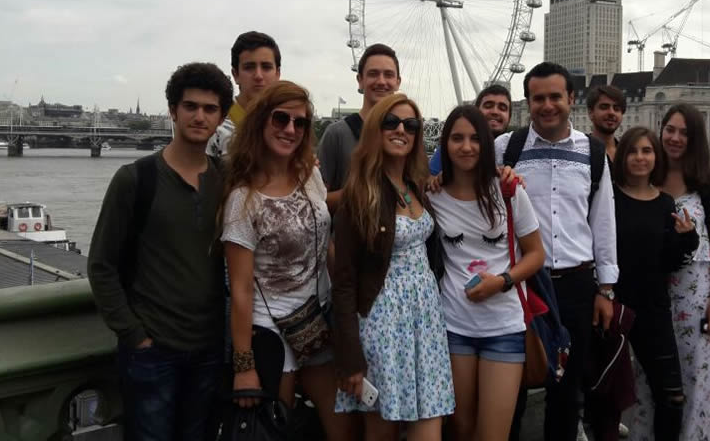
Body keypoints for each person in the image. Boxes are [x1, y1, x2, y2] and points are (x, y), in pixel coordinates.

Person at [88, 62, 233, 441]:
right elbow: (101, 265)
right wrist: (134, 334)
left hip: (210, 348)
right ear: (172, 110)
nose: (199, 116)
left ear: (221, 118)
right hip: (153, 351)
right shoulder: (136, 179)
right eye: (190, 106)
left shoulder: (227, 181)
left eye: (210, 109)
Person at [221, 81, 356, 441]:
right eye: (281, 119)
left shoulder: (310, 176)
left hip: (317, 322)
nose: (290, 129)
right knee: (275, 429)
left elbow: (323, 241)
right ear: (260, 122)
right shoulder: (243, 200)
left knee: (342, 430)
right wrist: (244, 366)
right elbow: (240, 289)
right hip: (272, 332)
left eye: (300, 122)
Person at [496, 62, 618, 441]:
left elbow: (602, 220)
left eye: (555, 97)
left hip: (576, 286)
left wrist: (605, 289)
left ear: (571, 98)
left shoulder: (592, 152)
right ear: (527, 102)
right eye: (538, 99)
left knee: (567, 392)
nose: (547, 106)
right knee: (511, 387)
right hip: (522, 286)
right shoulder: (506, 148)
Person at [332, 93, 454, 441]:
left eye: (411, 125)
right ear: (376, 129)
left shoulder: (417, 187)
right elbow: (344, 282)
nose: (401, 130)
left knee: (430, 426)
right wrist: (351, 357)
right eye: (391, 122)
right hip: (383, 325)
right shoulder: (360, 195)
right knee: (381, 431)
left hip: (426, 322)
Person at [429, 105, 545, 441]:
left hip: (504, 326)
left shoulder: (508, 190)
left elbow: (536, 253)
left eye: (475, 139)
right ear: (445, 145)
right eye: (457, 138)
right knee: (460, 429)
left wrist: (503, 281)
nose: (466, 147)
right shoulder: (433, 194)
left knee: (493, 433)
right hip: (453, 326)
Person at [609, 127, 698, 441]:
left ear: (656, 157)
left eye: (647, 151)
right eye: (633, 151)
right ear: (622, 157)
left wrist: (687, 238)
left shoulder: (665, 203)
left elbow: (669, 261)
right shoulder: (608, 198)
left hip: (653, 308)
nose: (640, 157)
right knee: (606, 396)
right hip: (614, 306)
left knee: (672, 395)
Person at [654, 103, 710, 440]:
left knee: (698, 379)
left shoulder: (709, 182)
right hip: (654, 297)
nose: (674, 138)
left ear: (695, 138)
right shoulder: (647, 174)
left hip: (697, 297)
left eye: (684, 133)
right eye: (670, 129)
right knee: (652, 380)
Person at [319, 44, 402, 213]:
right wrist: (359, 193)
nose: (381, 81)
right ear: (360, 80)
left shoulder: (405, 134)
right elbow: (317, 200)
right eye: (373, 74)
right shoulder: (337, 134)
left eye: (388, 75)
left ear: (397, 82)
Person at [207, 31, 281, 158]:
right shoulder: (214, 126)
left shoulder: (289, 125)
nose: (258, 76)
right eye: (249, 67)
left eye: (266, 67)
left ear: (277, 74)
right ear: (235, 75)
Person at [429, 84, 512, 176]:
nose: (495, 112)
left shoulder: (517, 148)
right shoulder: (450, 150)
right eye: (488, 106)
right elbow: (429, 179)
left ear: (509, 117)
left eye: (502, 108)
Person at [586, 85, 626, 161]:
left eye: (616, 109)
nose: (611, 112)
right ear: (591, 113)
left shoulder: (627, 154)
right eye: (604, 107)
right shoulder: (579, 151)